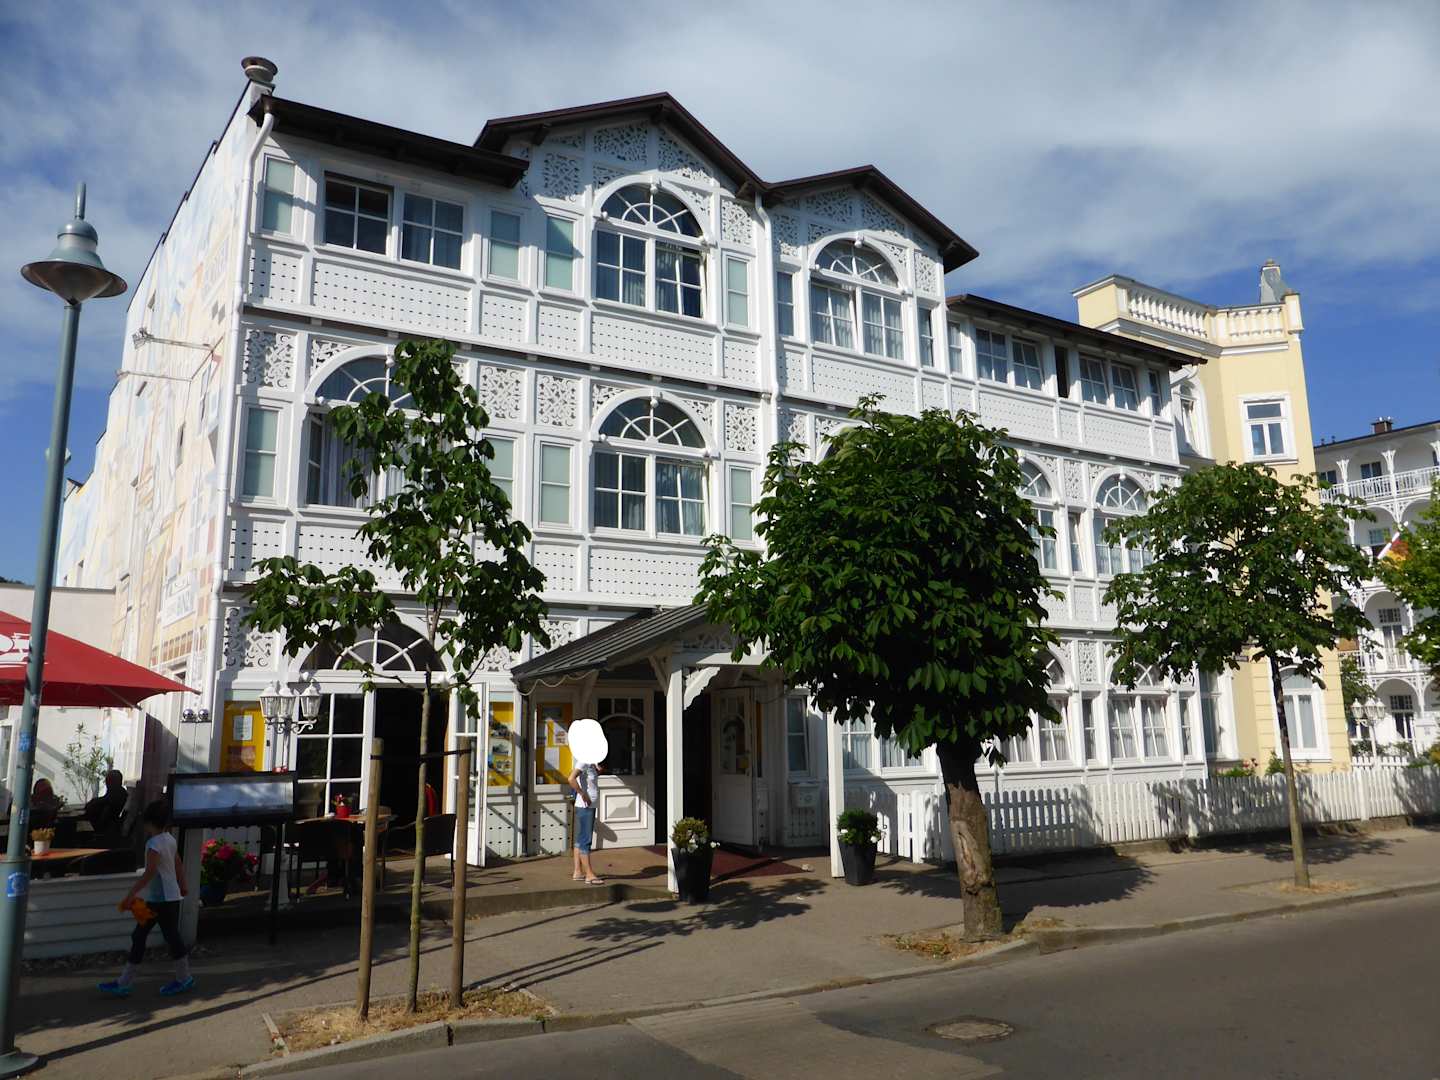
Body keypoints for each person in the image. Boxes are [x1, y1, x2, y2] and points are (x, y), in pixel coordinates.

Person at [98, 800, 194, 998]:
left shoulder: (154, 844)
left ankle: (128, 982)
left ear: (149, 822)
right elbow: (178, 863)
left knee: (153, 936)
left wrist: (131, 894)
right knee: (154, 936)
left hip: (161, 899)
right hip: (169, 897)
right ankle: (128, 981)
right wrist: (183, 884)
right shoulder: (169, 839)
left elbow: (150, 872)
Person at [567, 761, 604, 885]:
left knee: (581, 838)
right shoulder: (583, 761)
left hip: (589, 806)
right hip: (585, 806)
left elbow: (590, 779)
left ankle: (578, 872)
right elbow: (571, 779)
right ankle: (589, 875)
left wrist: (597, 768)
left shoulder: (591, 762)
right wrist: (582, 794)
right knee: (586, 840)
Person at [85, 770, 129, 838]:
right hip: (102, 823)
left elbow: (106, 801)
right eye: (107, 780)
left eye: (109, 780)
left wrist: (93, 802)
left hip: (104, 827)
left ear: (117, 781)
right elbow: (105, 799)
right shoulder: (115, 791)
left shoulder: (119, 793)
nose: (107, 783)